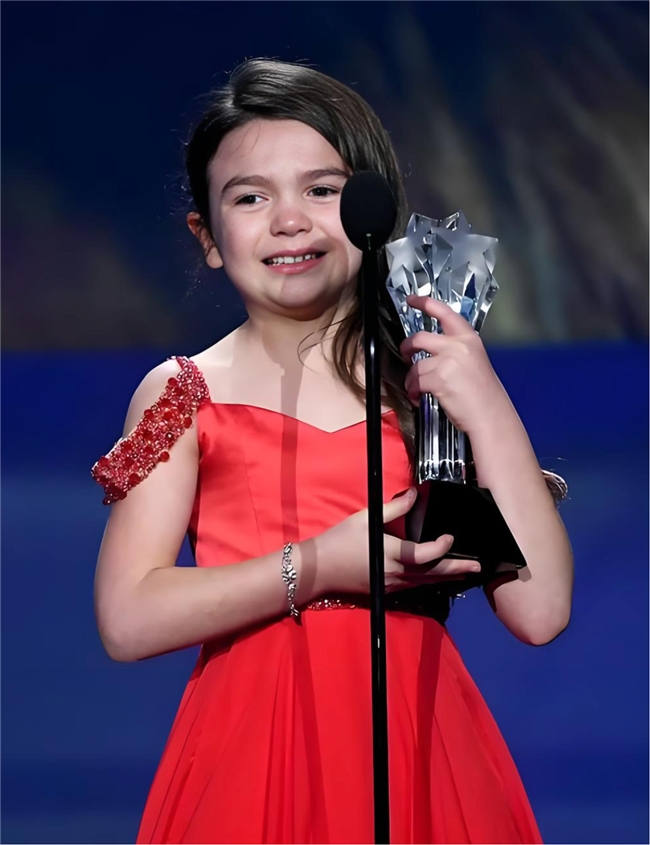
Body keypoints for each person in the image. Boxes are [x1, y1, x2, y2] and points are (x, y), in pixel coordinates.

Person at [92, 58, 573, 845]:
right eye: (250, 197)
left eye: (321, 189)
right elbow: (128, 614)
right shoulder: (184, 392)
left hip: (421, 748)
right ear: (207, 237)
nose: (290, 221)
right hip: (252, 758)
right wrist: (318, 564)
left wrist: (485, 402)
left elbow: (541, 609)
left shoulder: (427, 387)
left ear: (372, 209)